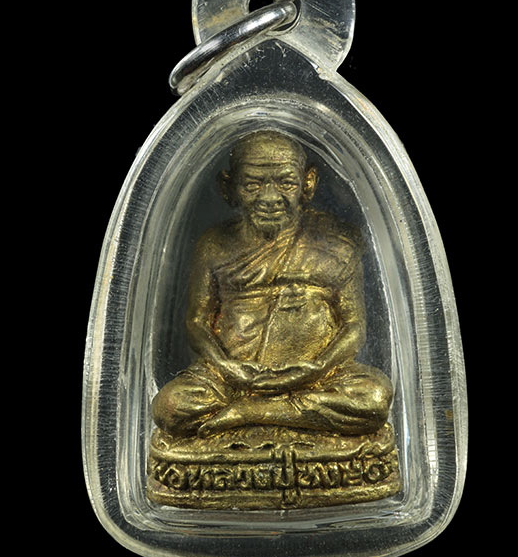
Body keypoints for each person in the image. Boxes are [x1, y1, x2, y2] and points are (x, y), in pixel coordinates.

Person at [152, 130, 393, 438]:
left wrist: (318, 367)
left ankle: (249, 414)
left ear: (307, 183)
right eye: (253, 185)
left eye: (285, 183)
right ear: (229, 186)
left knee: (374, 397)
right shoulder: (214, 246)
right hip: (233, 381)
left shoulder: (337, 243)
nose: (269, 198)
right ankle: (283, 413)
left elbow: (354, 326)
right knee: (170, 406)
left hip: (315, 378)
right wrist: (225, 367)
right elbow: (197, 321)